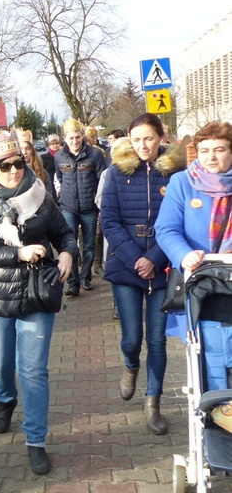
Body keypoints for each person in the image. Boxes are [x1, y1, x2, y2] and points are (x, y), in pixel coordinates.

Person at [0, 130, 77, 475]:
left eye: (17, 164)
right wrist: (17, 253)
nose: (13, 171)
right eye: (4, 166)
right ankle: (6, 400)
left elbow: (63, 232)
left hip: (36, 293)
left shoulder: (40, 196)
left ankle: (36, 439)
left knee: (34, 370)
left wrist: (68, 252)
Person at [100, 113, 185, 435]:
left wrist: (154, 257)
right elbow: (108, 221)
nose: (142, 146)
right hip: (126, 265)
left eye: (148, 138)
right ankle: (130, 364)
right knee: (132, 338)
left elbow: (179, 223)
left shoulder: (177, 174)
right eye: (136, 139)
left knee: (158, 341)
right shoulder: (116, 172)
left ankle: (154, 402)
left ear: (161, 137)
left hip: (163, 266)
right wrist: (137, 258)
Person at [156, 121, 232, 392]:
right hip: (202, 284)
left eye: (219, 149)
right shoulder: (182, 183)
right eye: (204, 150)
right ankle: (218, 412)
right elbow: (166, 229)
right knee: (212, 355)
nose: (211, 156)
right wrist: (184, 254)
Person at [54, 118, 107, 296]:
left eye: (77, 137)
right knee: (70, 246)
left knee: (89, 246)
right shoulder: (59, 157)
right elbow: (60, 179)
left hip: (89, 207)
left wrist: (98, 202)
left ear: (82, 136)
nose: (75, 141)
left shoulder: (95, 155)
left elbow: (101, 180)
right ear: (65, 138)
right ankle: (73, 282)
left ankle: (85, 277)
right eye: (71, 138)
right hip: (68, 206)